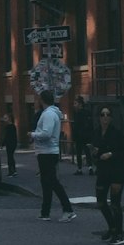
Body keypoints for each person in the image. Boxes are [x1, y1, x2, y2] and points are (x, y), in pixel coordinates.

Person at [30, 90, 76, 222]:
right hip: (47, 151)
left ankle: (68, 209)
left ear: (42, 100)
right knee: (46, 182)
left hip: (47, 152)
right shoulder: (51, 113)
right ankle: (45, 212)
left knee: (52, 181)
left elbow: (46, 133)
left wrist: (33, 135)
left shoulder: (49, 114)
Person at [92, 105, 124, 245]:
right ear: (99, 117)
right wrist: (95, 152)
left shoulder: (117, 133)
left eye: (107, 114)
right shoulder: (96, 133)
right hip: (102, 171)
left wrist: (111, 154)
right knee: (101, 202)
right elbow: (96, 150)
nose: (105, 117)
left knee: (115, 203)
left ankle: (119, 234)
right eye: (102, 114)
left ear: (111, 117)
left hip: (116, 171)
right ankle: (112, 227)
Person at [72, 96, 94, 175]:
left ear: (80, 104)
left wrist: (74, 137)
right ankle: (90, 168)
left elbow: (76, 126)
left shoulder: (78, 114)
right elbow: (91, 125)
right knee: (87, 152)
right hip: (87, 136)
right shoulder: (88, 113)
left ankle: (79, 169)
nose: (74, 105)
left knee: (79, 153)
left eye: (75, 103)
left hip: (79, 137)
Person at [0, 113, 18, 177]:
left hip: (10, 143)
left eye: (6, 118)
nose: (4, 120)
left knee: (10, 157)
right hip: (13, 143)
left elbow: (7, 136)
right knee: (11, 157)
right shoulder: (12, 126)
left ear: (9, 119)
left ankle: (12, 171)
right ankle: (13, 170)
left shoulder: (9, 126)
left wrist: (3, 144)